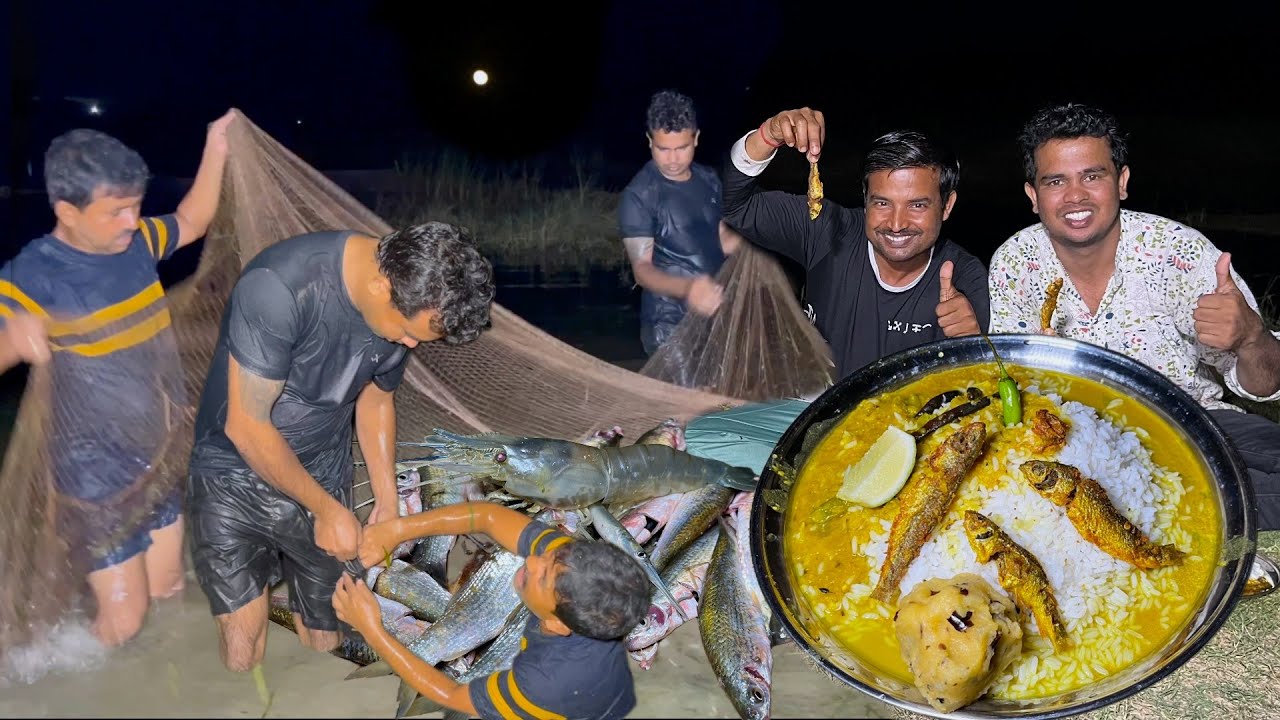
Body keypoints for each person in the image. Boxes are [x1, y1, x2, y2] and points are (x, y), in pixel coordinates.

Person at [185, 221, 495, 672]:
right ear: (380, 285)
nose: (409, 345)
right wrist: (329, 512)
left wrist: (387, 501)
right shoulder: (277, 289)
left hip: (325, 468)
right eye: (408, 334)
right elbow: (246, 425)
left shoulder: (408, 298)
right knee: (242, 655)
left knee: (327, 640)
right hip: (233, 475)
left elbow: (376, 399)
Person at [988, 101, 1280, 532]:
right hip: (1078, 436)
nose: (1075, 196)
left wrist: (1252, 338)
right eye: (1056, 181)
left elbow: (1265, 385)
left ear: (1121, 182)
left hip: (1193, 420)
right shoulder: (1015, 262)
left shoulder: (1180, 252)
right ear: (1033, 196)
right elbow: (1011, 391)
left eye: (1093, 175)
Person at [0, 112, 234, 646]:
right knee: (126, 620)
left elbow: (192, 222)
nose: (132, 221)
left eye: (135, 206)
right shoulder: (32, 274)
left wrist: (215, 145)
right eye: (116, 212)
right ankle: (75, 677)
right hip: (93, 471)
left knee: (171, 588)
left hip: (155, 450)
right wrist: (13, 338)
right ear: (67, 211)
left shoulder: (136, 245)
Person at [721, 107, 989, 381]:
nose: (896, 224)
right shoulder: (826, 230)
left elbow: (983, 389)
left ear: (947, 206)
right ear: (865, 198)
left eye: (917, 205)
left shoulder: (966, 279)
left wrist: (974, 344)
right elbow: (735, 206)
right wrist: (768, 135)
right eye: (882, 203)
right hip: (809, 407)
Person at [333, 500, 650, 720]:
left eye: (539, 576)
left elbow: (452, 694)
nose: (532, 559)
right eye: (549, 557)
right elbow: (487, 516)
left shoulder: (543, 682)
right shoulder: (570, 569)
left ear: (555, 625)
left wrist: (372, 629)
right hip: (606, 683)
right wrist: (398, 530)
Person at [619, 89, 742, 357]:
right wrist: (689, 289)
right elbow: (642, 270)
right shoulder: (639, 195)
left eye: (682, 148)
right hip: (668, 327)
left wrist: (753, 248)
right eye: (663, 149)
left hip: (713, 318)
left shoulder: (708, 179)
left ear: (696, 138)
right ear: (649, 140)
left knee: (718, 398)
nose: (673, 159)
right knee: (691, 399)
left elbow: (719, 236)